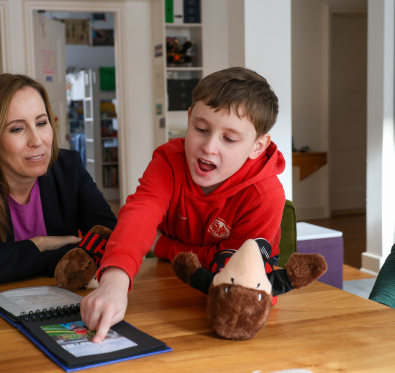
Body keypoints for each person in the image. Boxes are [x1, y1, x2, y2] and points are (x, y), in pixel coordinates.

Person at [81, 67, 285, 342]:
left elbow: (234, 267)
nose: (209, 146)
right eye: (201, 129)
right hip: (166, 288)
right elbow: (140, 214)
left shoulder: (266, 194)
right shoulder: (168, 161)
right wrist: (114, 283)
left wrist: (161, 245)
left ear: (258, 147)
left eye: (229, 138)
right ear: (189, 119)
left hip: (228, 301)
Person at [0, 73, 117, 293]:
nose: (37, 141)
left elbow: (112, 241)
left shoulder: (69, 167)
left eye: (41, 123)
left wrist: (7, 262)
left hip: (63, 303)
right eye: (17, 129)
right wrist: (38, 246)